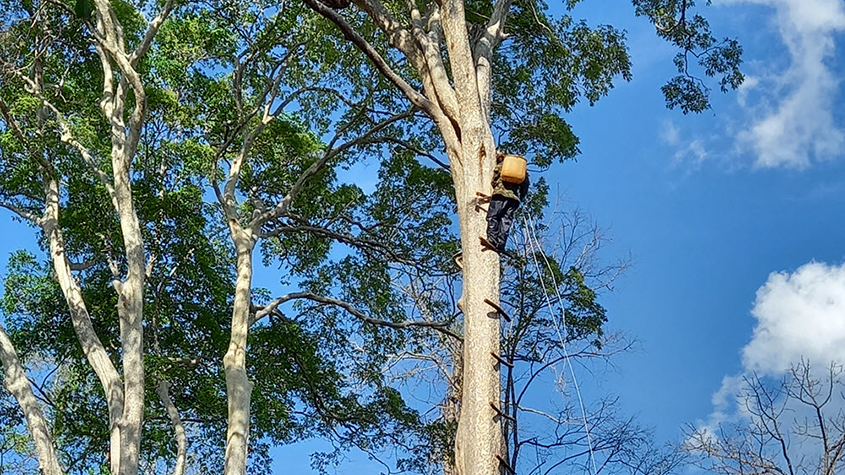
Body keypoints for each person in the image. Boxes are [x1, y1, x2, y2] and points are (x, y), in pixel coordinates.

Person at [486, 153, 529, 253]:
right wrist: (521, 197)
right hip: (513, 199)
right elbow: (525, 186)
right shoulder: (522, 171)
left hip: (500, 195)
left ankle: (492, 239)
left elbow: (494, 179)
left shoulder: (502, 166)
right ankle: (501, 243)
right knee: (506, 220)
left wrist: (494, 185)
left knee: (493, 216)